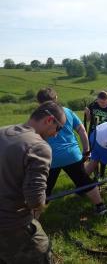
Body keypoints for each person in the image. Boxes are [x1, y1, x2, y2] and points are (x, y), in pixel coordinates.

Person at [0, 101, 66, 263]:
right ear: (49, 120)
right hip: (12, 224)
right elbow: (35, 199)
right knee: (42, 253)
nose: (56, 134)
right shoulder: (38, 147)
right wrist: (40, 204)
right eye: (59, 128)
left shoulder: (3, 131)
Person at [36, 88, 106, 215]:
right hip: (71, 155)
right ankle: (100, 206)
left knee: (43, 188)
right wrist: (86, 151)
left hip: (49, 157)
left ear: (39, 103)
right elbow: (82, 131)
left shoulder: (37, 117)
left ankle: (33, 219)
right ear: (56, 98)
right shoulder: (67, 111)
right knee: (84, 181)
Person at [84, 91, 107, 180]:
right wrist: (87, 113)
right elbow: (88, 120)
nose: (101, 104)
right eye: (99, 102)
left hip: (104, 135)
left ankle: (102, 174)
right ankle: (96, 175)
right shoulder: (93, 106)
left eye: (103, 102)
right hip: (93, 134)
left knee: (103, 155)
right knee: (94, 155)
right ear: (97, 99)